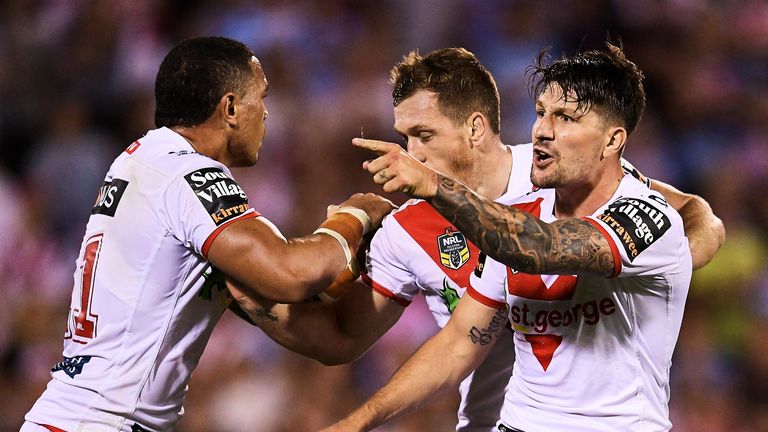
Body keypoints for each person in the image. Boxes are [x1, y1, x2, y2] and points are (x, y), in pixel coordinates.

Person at [231, 47, 724, 431]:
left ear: (475, 127)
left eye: (424, 134)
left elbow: (689, 216)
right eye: (540, 113)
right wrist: (242, 292)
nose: (412, 153)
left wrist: (672, 262)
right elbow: (451, 344)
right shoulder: (421, 228)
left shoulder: (600, 192)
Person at [20, 36, 394, 432]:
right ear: (230, 107)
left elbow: (333, 339)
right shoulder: (187, 173)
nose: (266, 113)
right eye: (261, 97)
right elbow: (290, 272)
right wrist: (359, 214)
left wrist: (401, 273)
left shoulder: (147, 167)